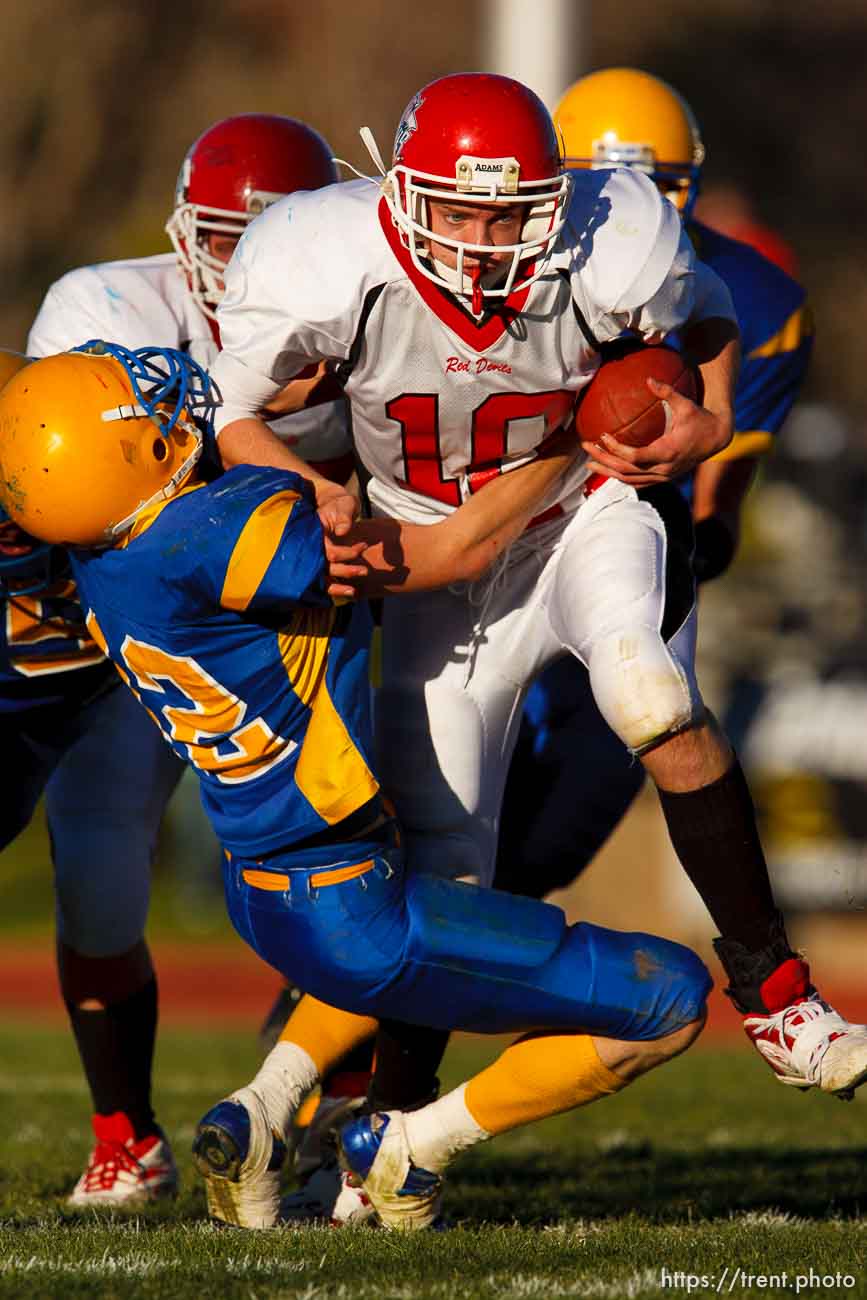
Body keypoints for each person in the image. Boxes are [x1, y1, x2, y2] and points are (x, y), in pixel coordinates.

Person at [201, 71, 867, 1227]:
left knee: (649, 690)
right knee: (447, 883)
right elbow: (237, 416)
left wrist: (701, 425)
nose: (487, 239)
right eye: (459, 212)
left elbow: (708, 326)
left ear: (556, 199)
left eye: (512, 213)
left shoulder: (617, 233)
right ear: (401, 194)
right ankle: (379, 1147)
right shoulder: (315, 254)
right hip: (421, 547)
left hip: (579, 514)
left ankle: (778, 990)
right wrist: (311, 493)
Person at [0, 340, 711, 1232]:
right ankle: (413, 1148)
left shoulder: (101, 563)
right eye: (144, 415)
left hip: (261, 887)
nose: (168, 408)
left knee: (395, 949)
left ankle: (262, 1109)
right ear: (123, 457)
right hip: (347, 901)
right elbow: (458, 548)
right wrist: (573, 438)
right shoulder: (223, 527)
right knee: (674, 999)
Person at [8, 113, 345, 1206]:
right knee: (100, 877)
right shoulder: (103, 304)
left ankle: (345, 1112)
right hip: (135, 624)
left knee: (352, 862)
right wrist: (257, 417)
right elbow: (93, 481)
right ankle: (125, 1136)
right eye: (223, 233)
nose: (241, 259)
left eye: (269, 236)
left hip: (297, 633)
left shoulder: (367, 306)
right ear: (181, 226)